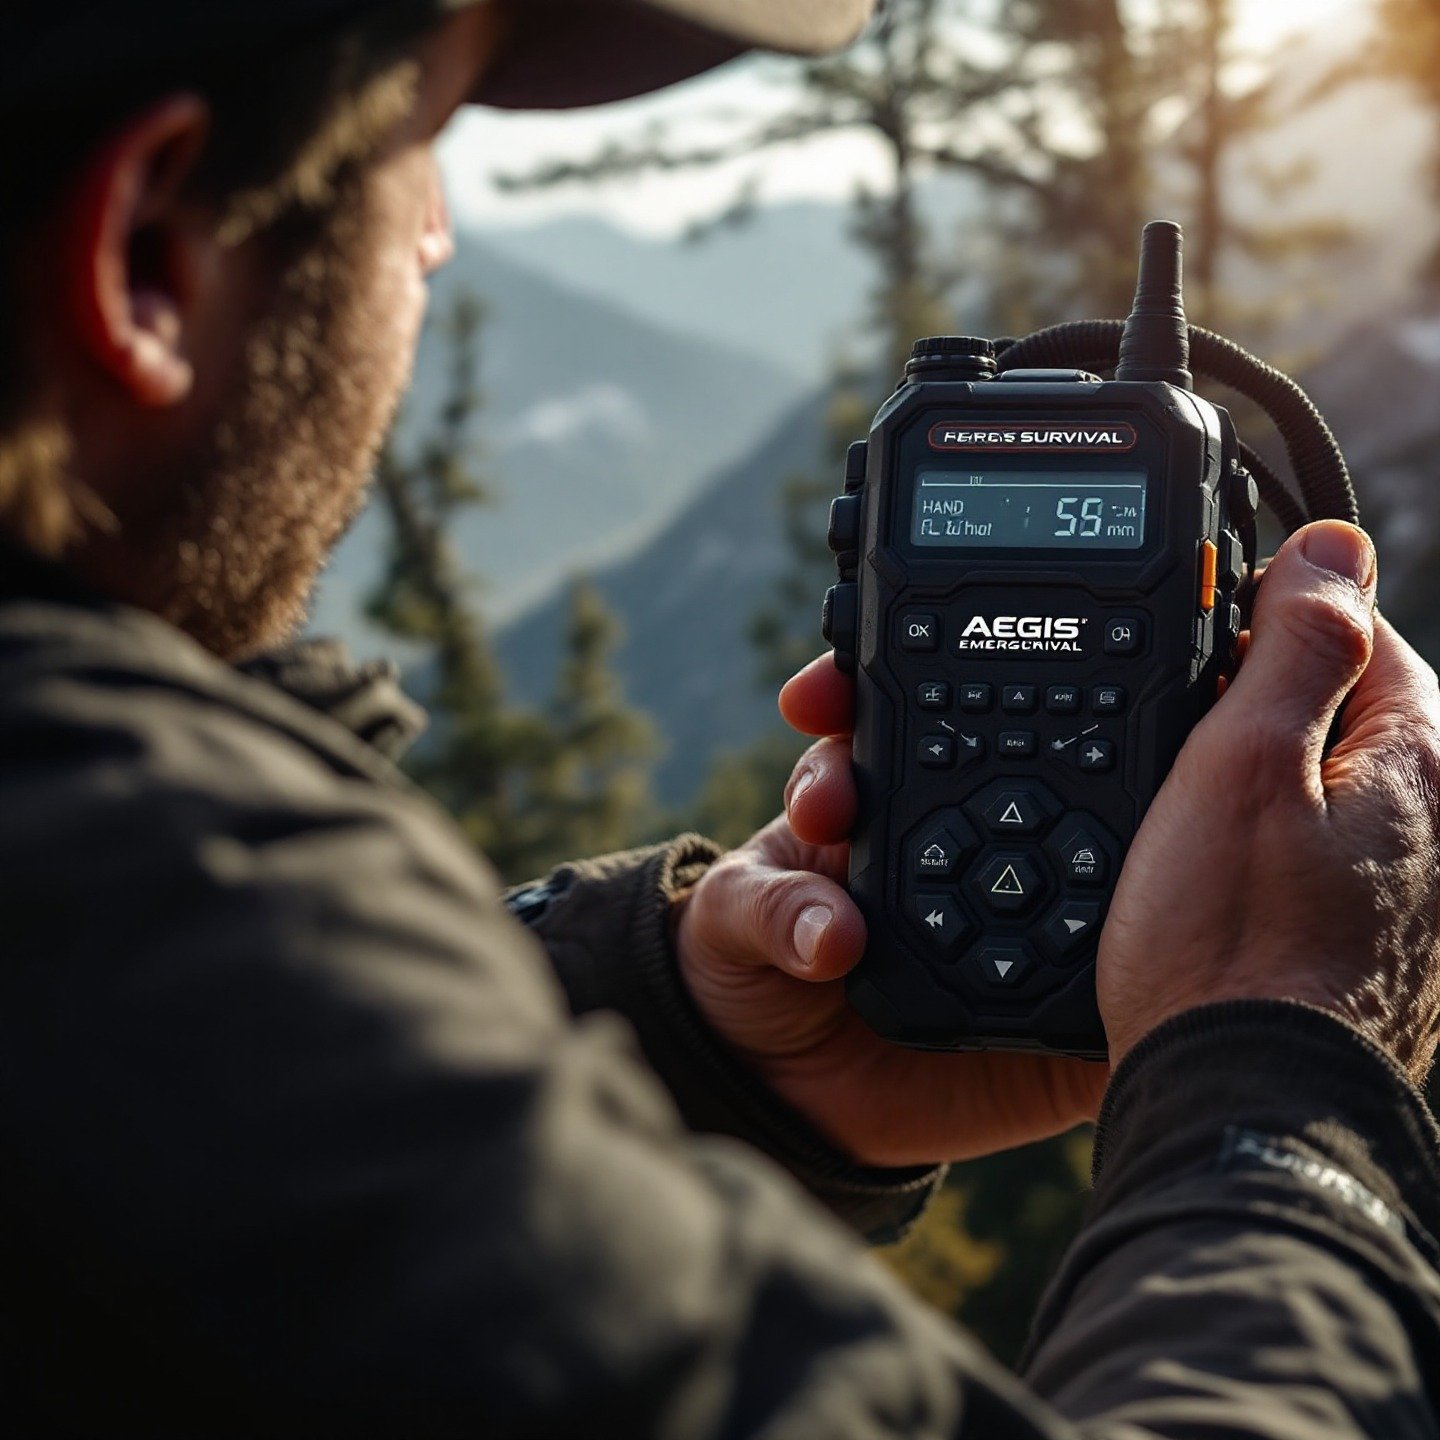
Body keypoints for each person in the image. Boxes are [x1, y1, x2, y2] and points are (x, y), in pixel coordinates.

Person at [0, 0, 1438, 1434]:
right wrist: (1287, 1078)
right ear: (142, 260)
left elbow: (238, 1165)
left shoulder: (106, 915)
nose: (438, 234)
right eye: (427, 140)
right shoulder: (146, 924)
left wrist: (677, 1048)